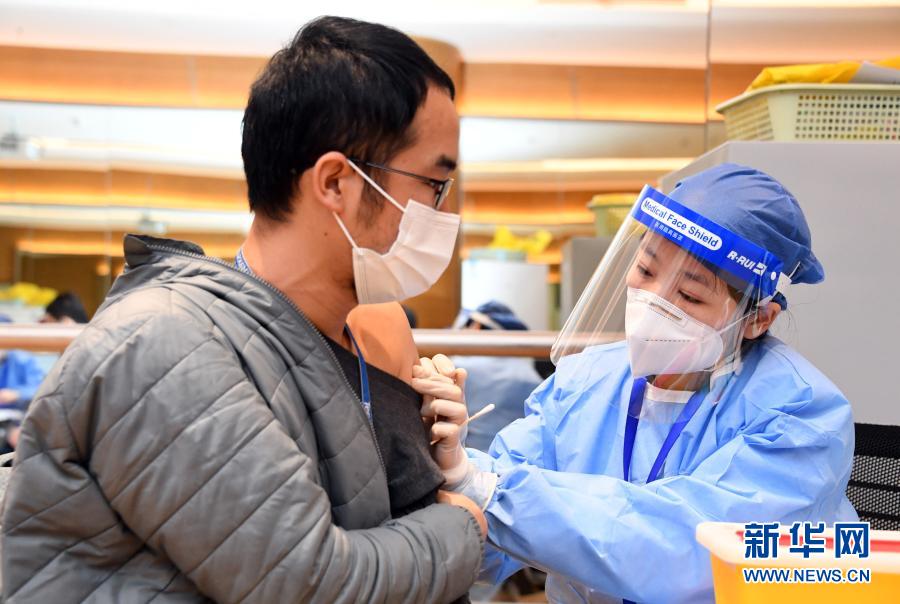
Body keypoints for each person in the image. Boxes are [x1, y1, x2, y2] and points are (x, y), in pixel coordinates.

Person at [2, 16, 485, 603]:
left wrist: (440, 452)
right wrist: (464, 525)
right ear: (336, 182)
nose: (444, 214)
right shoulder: (165, 346)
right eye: (434, 184)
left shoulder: (373, 330)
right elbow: (305, 583)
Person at [414, 164, 857, 603]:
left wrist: (486, 489)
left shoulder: (801, 414)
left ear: (757, 319)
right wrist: (446, 466)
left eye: (690, 295)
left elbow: (690, 550)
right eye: (645, 271)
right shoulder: (584, 382)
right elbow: (486, 544)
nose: (653, 304)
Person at [450, 301, 543, 452]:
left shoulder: (458, 368)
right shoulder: (532, 376)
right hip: (514, 459)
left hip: (467, 457)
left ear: (477, 326)